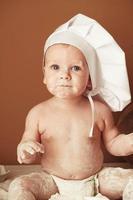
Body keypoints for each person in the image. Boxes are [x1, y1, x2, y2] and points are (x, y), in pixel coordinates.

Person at [8, 14, 133, 200]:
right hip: (52, 181)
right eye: (55, 67)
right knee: (19, 185)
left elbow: (113, 143)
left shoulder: (99, 110)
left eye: (75, 68)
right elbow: (29, 150)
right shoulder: (38, 113)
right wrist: (26, 150)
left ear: (90, 77)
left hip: (96, 181)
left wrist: (130, 142)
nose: (64, 75)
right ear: (44, 74)